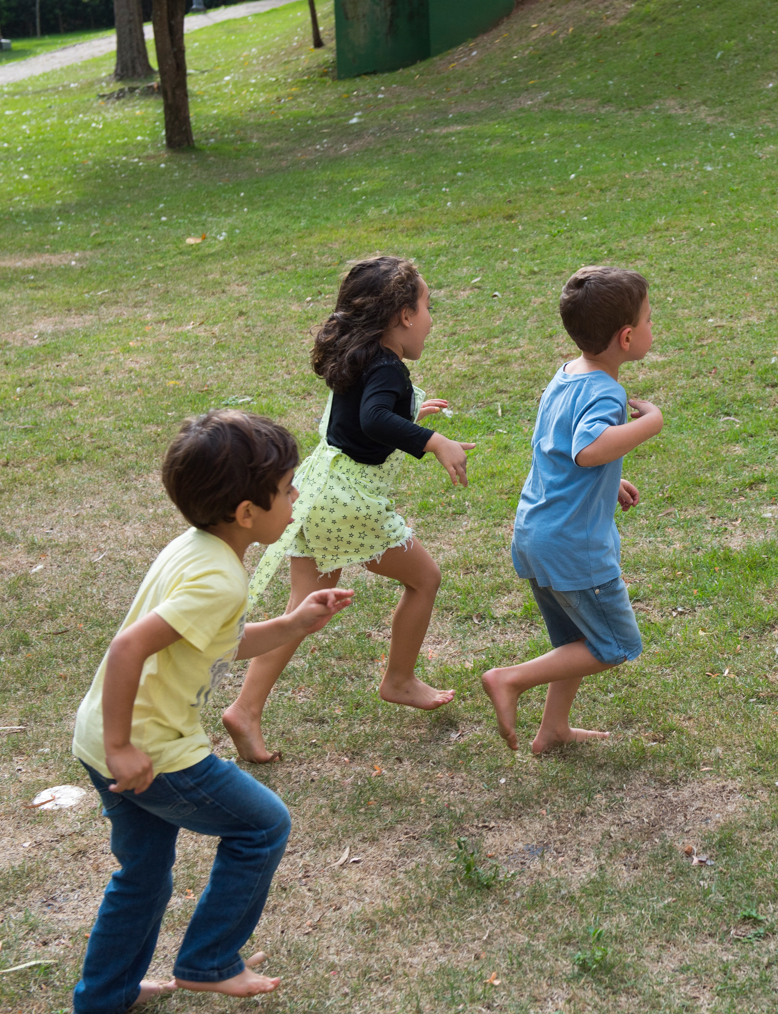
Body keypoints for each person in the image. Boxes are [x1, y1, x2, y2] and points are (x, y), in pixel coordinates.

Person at [71, 410, 354, 1014]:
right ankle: (210, 960)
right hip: (150, 749)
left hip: (101, 736)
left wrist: (291, 623)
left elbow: (210, 639)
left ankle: (103, 997)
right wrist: (125, 746)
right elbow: (128, 649)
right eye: (286, 488)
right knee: (262, 826)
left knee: (142, 872)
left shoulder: (198, 547)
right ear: (248, 513)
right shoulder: (219, 579)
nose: (297, 495)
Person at [224, 255, 475, 763]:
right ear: (404, 315)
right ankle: (399, 678)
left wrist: (412, 411)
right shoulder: (387, 365)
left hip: (319, 490)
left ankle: (245, 709)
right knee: (424, 578)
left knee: (301, 612)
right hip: (349, 502)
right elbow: (376, 416)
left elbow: (363, 415)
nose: (430, 318)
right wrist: (433, 440)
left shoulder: (360, 353)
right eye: (427, 307)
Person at [481, 265, 661, 754]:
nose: (651, 327)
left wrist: (607, 482)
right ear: (626, 337)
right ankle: (510, 680)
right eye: (648, 320)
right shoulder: (607, 391)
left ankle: (553, 728)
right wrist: (651, 423)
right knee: (616, 645)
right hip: (572, 549)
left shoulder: (567, 374)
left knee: (574, 642)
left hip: (537, 532)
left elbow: (563, 452)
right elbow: (588, 448)